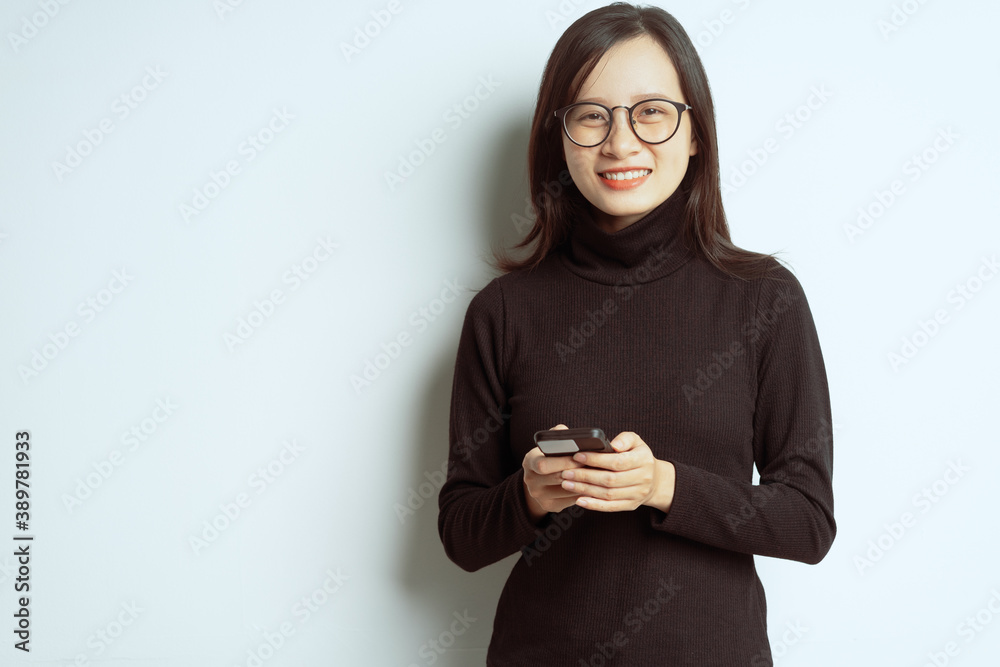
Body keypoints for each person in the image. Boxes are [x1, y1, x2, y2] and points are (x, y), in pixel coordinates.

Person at [437, 3, 836, 665]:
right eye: (592, 115)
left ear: (695, 131)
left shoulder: (765, 299)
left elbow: (808, 519)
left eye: (651, 111)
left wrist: (662, 485)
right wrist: (529, 493)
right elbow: (461, 531)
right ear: (558, 137)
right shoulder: (502, 312)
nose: (620, 144)